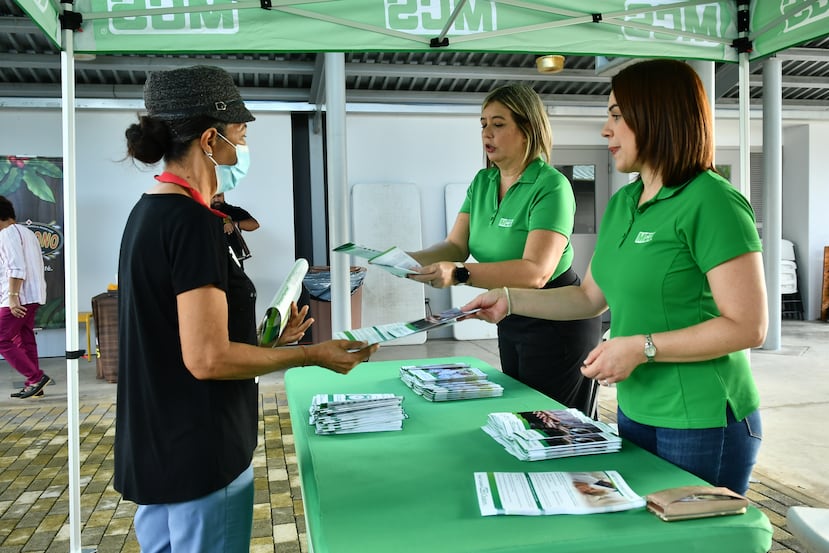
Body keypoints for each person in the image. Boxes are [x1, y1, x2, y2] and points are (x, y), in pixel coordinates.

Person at [464, 59, 767, 495]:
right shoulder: (625, 201)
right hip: (634, 409)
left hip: (703, 419)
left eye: (617, 116)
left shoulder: (713, 201)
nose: (606, 130)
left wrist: (642, 348)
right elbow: (589, 298)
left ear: (659, 116)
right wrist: (509, 300)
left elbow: (749, 326)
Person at [115, 65, 377, 552]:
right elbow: (208, 359)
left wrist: (268, 343)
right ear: (210, 140)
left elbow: (177, 341)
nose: (245, 146)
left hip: (161, 449)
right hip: (201, 454)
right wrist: (311, 355)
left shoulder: (148, 211)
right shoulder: (193, 223)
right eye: (241, 133)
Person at [407, 83, 601, 415]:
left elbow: (536, 271)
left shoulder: (551, 186)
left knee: (557, 428)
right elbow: (456, 245)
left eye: (498, 124)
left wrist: (460, 274)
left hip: (556, 318)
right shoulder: (483, 182)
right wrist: (403, 260)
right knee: (521, 418)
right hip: (509, 313)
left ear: (527, 130)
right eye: (483, 124)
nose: (487, 133)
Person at [0, 196, 49, 399]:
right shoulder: (27, 233)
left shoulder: (7, 234)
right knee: (25, 338)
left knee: (1, 339)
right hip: (33, 295)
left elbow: (16, 267)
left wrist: (12, 297)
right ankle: (34, 383)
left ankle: (35, 377)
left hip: (18, 297)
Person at [211, 192, 259, 268]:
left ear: (223, 195)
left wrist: (234, 224)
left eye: (219, 196)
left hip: (234, 260)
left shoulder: (234, 211)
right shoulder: (203, 212)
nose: (216, 199)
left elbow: (254, 224)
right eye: (213, 197)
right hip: (211, 260)